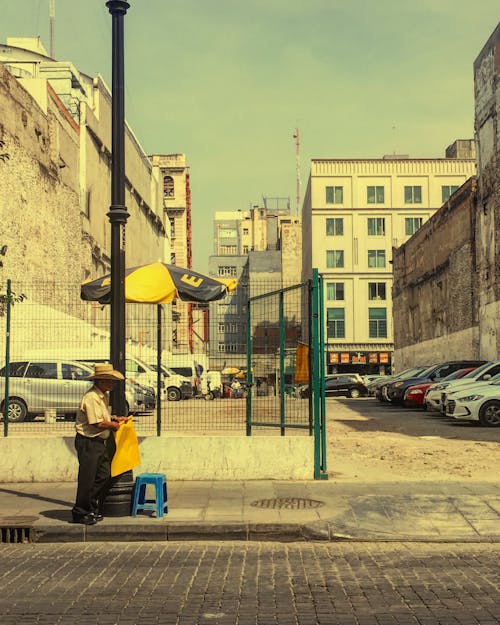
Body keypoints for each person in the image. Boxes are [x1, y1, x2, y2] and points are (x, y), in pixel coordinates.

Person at [71, 363, 128, 525]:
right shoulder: (91, 398)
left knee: (103, 475)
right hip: (88, 441)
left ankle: (91, 507)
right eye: (110, 381)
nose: (113, 384)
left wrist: (115, 419)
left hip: (99, 441)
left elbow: (103, 418)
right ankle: (81, 512)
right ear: (101, 381)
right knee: (87, 479)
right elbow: (96, 423)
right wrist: (113, 425)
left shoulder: (102, 396)